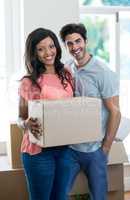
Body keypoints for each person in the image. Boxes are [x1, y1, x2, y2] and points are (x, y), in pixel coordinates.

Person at [54, 23, 121, 200]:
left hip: (94, 149)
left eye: (78, 41)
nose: (75, 47)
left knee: (98, 197)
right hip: (71, 148)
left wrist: (105, 148)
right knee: (58, 193)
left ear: (86, 41)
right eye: (70, 43)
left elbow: (115, 112)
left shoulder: (103, 72)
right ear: (65, 46)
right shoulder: (67, 68)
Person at [17, 27, 73, 200]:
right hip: (38, 152)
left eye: (51, 46)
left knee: (61, 197)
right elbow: (20, 117)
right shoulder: (29, 82)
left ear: (56, 46)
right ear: (34, 53)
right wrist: (25, 124)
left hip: (64, 149)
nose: (48, 53)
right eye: (41, 49)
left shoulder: (66, 74)